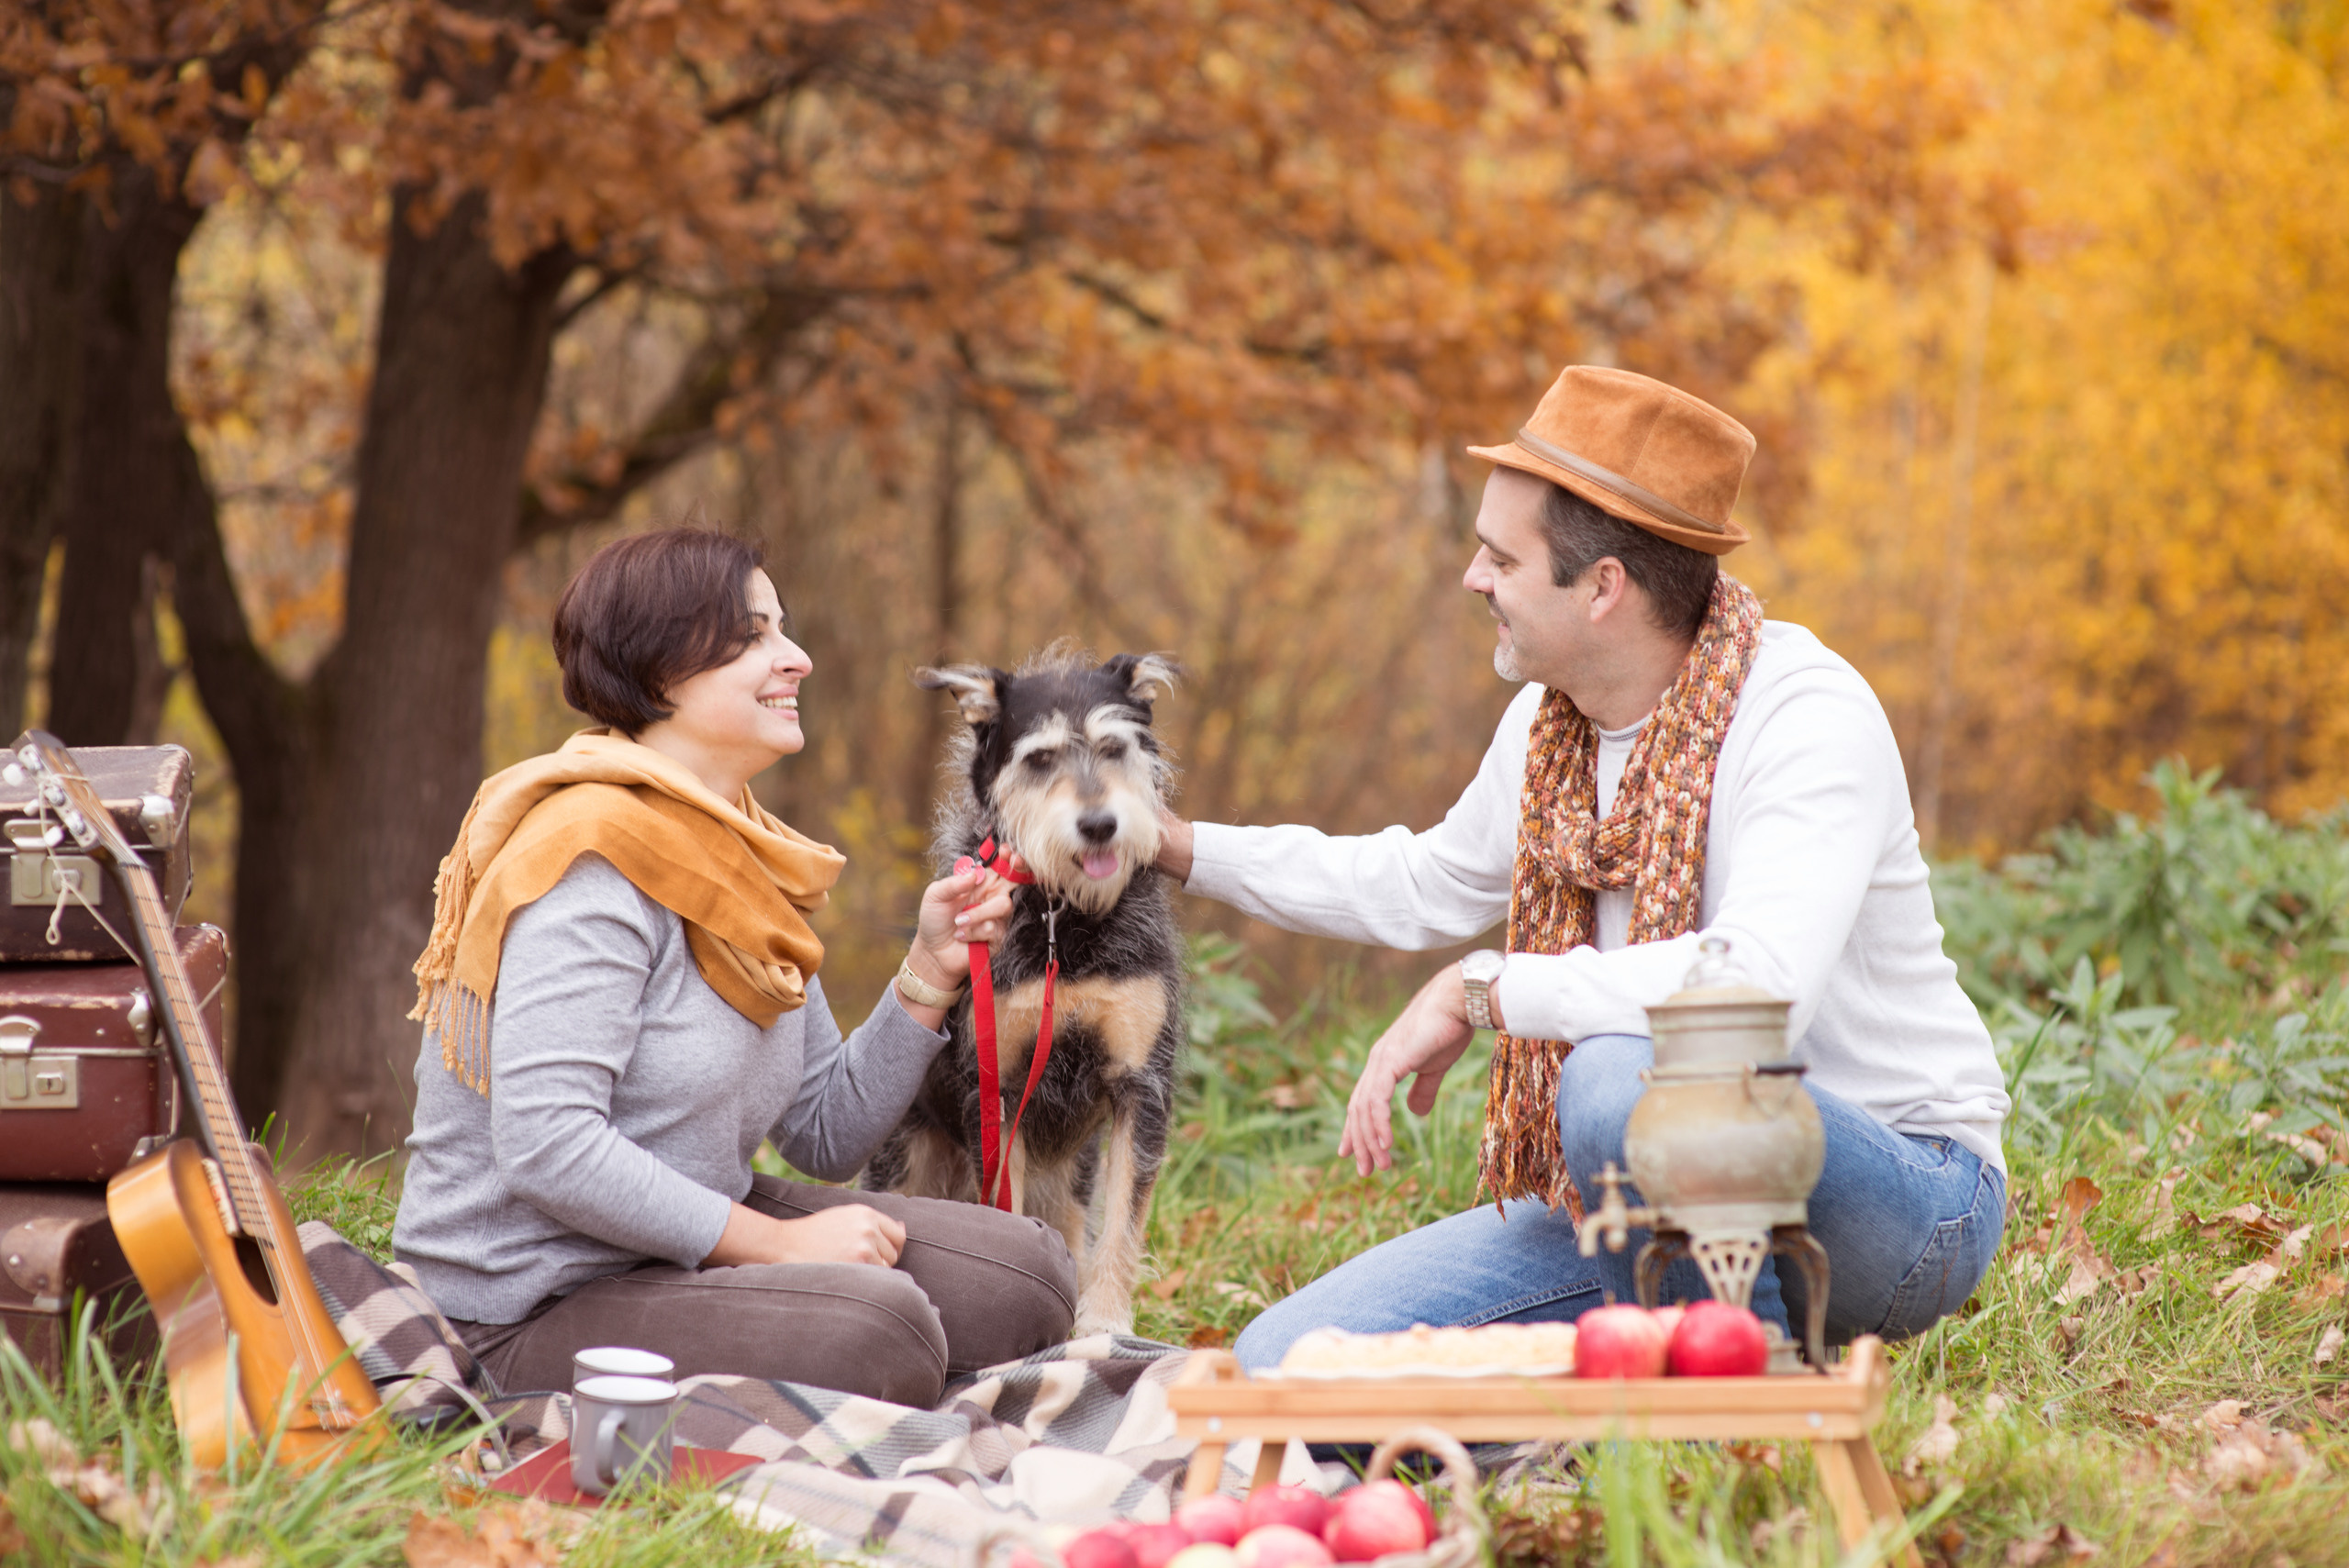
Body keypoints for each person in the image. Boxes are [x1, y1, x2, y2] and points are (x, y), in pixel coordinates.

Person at [1153, 365, 2009, 1368]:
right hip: (1633, 1182)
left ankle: (1735, 1421)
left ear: (1603, 587)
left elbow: (1756, 986)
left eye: (1498, 558)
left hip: (1899, 1196)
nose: (1473, 579)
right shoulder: (1548, 729)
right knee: (1292, 1361)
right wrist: (1177, 847)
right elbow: (1424, 882)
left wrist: (1490, 988)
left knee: (1618, 1074)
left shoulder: (1806, 714)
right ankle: (1616, 1385)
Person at [393, 528, 1077, 1406]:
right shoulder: (587, 864)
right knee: (884, 1329)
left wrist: (929, 971)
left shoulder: (740, 859)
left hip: (686, 1234)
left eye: (782, 630)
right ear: (660, 672)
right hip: (531, 1303)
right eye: (754, 636)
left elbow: (825, 1131)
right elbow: (547, 1145)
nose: (798, 658)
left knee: (1028, 1275)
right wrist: (780, 1246)